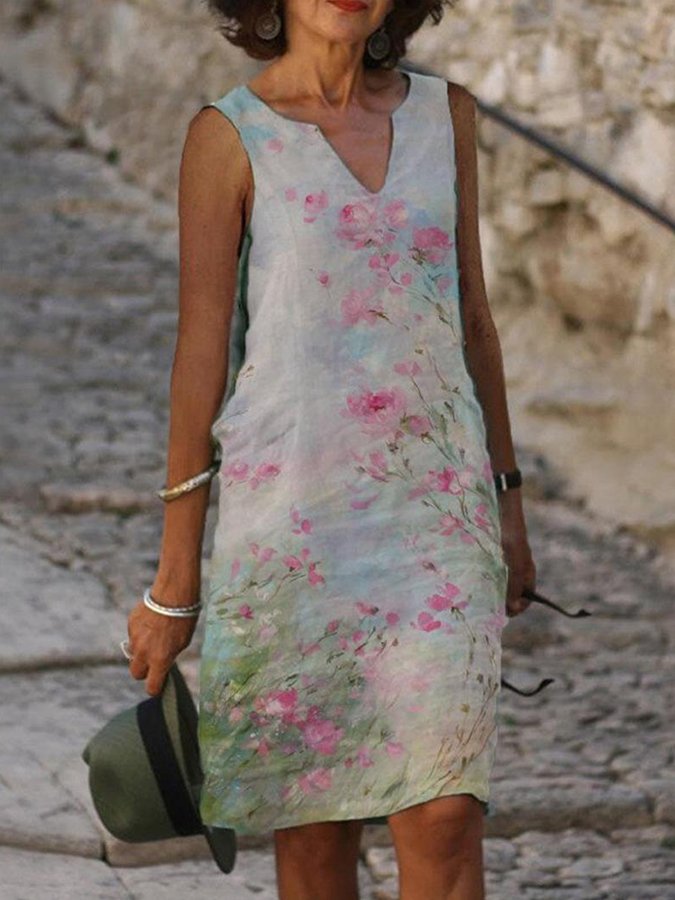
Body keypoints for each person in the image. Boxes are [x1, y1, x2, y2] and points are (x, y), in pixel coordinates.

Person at [125, 0, 537, 897]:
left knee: (444, 816)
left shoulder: (444, 116)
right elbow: (200, 355)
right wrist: (174, 579)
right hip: (290, 535)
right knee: (314, 835)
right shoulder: (228, 137)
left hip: (436, 524)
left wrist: (507, 500)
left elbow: (472, 318)